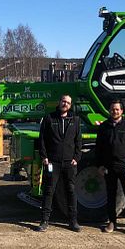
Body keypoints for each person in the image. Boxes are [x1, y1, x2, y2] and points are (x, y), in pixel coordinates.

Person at [36, 94, 82, 232]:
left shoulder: (75, 120)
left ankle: (73, 221)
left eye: (68, 102)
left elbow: (78, 140)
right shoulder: (50, 118)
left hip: (69, 163)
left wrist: (77, 157)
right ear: (59, 102)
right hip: (52, 162)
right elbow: (42, 139)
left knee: (71, 191)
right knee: (49, 190)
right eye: (63, 101)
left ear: (70, 105)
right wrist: (44, 157)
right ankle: (44, 221)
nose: (65, 104)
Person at [96, 100, 125, 235]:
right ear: (109, 111)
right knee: (111, 196)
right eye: (112, 109)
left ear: (122, 111)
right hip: (109, 167)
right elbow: (99, 149)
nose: (115, 111)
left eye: (117, 109)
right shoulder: (104, 127)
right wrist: (100, 166)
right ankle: (111, 222)